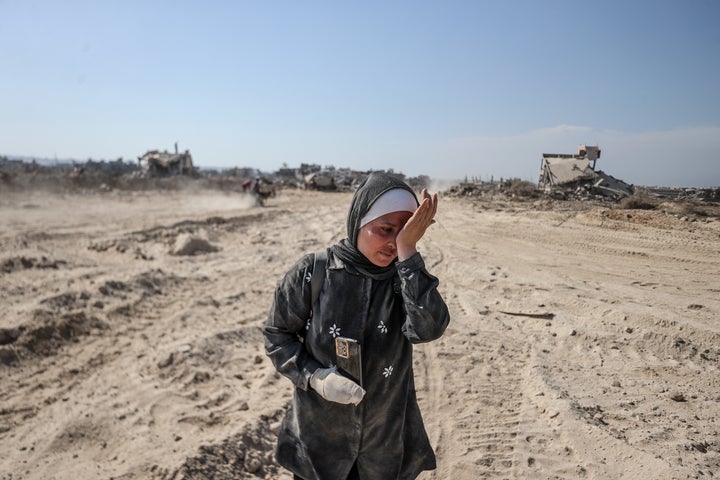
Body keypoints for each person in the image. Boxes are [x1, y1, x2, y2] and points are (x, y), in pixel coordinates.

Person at [264, 172, 450, 480]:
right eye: (385, 229)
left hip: (383, 447)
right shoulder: (313, 273)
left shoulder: (404, 280)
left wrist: (408, 254)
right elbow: (277, 336)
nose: (393, 242)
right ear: (359, 221)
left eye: (404, 232)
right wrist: (316, 377)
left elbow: (428, 328)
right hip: (319, 446)